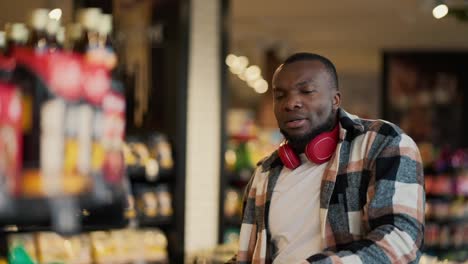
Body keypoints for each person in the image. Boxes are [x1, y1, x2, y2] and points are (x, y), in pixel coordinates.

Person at [229, 52, 425, 264]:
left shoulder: (383, 143)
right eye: (280, 95)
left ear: (335, 100)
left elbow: (402, 242)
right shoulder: (265, 172)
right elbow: (247, 256)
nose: (291, 102)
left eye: (306, 91)